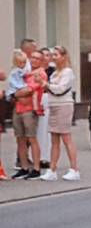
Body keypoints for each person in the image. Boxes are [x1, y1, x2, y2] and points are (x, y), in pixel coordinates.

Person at [39, 47, 78, 180]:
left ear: (64, 56)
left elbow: (60, 89)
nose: (53, 58)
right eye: (52, 55)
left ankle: (74, 169)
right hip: (54, 106)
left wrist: (46, 85)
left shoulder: (67, 72)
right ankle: (52, 170)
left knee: (66, 138)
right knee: (54, 139)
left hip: (63, 106)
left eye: (56, 55)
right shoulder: (55, 73)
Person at [12, 50, 47, 179]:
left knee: (31, 138)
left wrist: (15, 94)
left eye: (37, 58)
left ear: (42, 61)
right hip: (18, 108)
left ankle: (36, 168)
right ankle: (24, 167)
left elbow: (29, 89)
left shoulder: (40, 73)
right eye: (32, 57)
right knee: (20, 139)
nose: (34, 60)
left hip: (30, 109)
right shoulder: (23, 72)